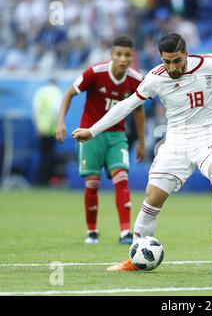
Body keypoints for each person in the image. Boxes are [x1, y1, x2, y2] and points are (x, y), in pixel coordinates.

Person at [72, 33, 212, 273]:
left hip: (210, 136)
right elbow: (126, 106)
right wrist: (93, 130)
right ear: (161, 58)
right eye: (167, 61)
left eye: (177, 61)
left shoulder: (210, 64)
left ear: (187, 53)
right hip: (176, 142)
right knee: (152, 199)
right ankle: (138, 256)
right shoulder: (155, 78)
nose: (172, 67)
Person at [55, 35, 146, 245]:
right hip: (90, 135)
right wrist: (61, 122)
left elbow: (139, 110)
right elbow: (69, 93)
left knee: (122, 178)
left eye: (127, 55)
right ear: (111, 55)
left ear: (133, 57)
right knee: (92, 183)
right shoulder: (94, 73)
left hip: (117, 136)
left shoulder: (136, 79)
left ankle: (125, 232)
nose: (123, 59)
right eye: (119, 54)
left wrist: (141, 142)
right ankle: (92, 231)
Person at [32, 77, 62, 186]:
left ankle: (40, 179)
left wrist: (37, 127)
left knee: (43, 155)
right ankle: (46, 180)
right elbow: (57, 111)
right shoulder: (57, 92)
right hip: (51, 128)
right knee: (49, 155)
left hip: (41, 128)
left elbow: (35, 110)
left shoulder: (40, 92)